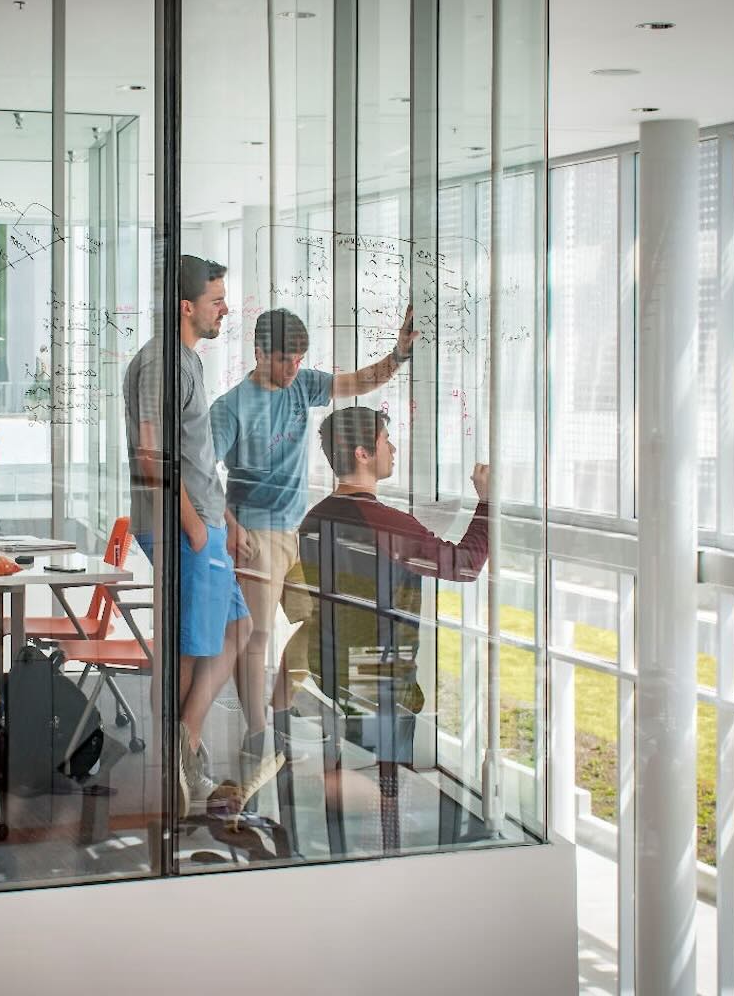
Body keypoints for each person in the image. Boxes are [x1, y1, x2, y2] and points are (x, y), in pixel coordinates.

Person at [209, 306, 417, 769]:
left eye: (300, 360)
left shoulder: (302, 386)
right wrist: (231, 525)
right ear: (260, 353)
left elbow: (357, 383)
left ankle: (279, 715)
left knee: (316, 622)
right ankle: (259, 734)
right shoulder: (231, 407)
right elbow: (200, 473)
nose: (294, 370)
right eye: (286, 360)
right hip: (255, 535)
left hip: (296, 532)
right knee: (257, 635)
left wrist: (398, 355)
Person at [123, 254, 274, 816]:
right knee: (193, 648)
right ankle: (180, 764)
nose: (225, 309)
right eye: (216, 300)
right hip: (184, 529)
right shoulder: (164, 363)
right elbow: (151, 452)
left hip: (203, 525)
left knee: (238, 626)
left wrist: (224, 524)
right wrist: (194, 529)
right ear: (186, 307)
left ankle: (186, 738)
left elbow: (196, 458)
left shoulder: (185, 361)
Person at [279, 406, 489, 764]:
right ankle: (378, 810)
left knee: (360, 767)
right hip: (378, 678)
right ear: (363, 454)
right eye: (385, 441)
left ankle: (354, 802)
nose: (392, 450)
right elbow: (465, 565)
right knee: (386, 781)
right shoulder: (386, 524)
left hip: (331, 665)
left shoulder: (314, 518)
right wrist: (487, 501)